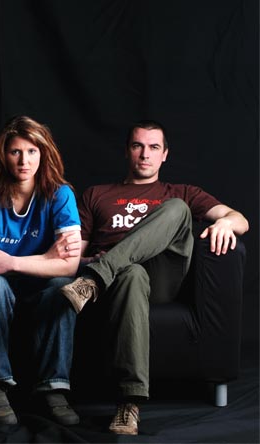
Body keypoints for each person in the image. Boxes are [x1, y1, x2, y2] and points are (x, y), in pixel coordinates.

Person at [59, 119, 250, 435]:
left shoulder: (181, 193)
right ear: (127, 151)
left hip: (162, 279)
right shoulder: (97, 194)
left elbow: (240, 219)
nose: (145, 154)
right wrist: (84, 261)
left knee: (177, 209)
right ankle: (129, 404)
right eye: (138, 146)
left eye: (153, 147)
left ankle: (93, 280)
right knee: (132, 272)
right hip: (119, 284)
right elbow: (74, 253)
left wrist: (226, 223)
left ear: (165, 154)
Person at [0, 115, 82, 426]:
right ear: (3, 155)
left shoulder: (60, 194)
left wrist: (13, 262)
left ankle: (53, 389)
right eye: (15, 151)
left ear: (43, 154)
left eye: (32, 151)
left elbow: (69, 265)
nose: (23, 160)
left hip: (40, 285)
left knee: (62, 286)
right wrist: (46, 257)